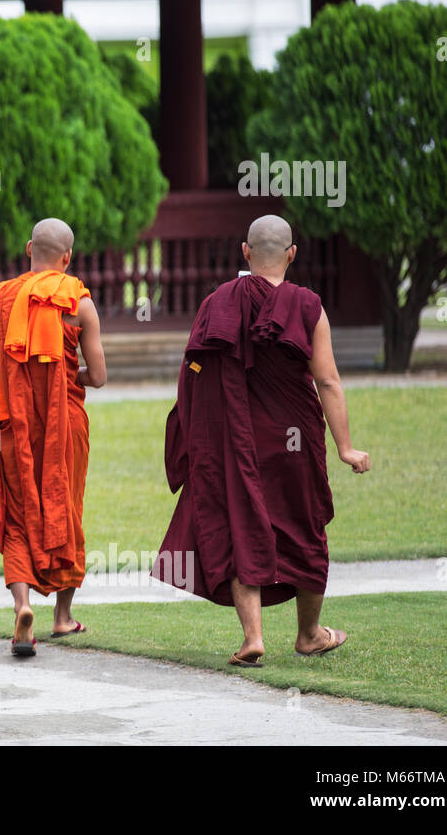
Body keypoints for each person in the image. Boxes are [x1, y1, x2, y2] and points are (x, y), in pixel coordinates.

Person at [151, 214, 370, 667]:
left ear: (245, 253)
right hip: (295, 442)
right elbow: (327, 381)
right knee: (306, 529)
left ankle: (254, 638)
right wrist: (346, 447)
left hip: (236, 441)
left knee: (241, 526)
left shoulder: (217, 302)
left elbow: (193, 374)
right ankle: (309, 634)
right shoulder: (308, 305)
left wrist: (195, 437)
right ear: (292, 254)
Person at [0, 218, 106, 657]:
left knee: (17, 512)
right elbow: (98, 376)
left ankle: (23, 606)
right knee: (65, 504)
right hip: (67, 424)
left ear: (28, 249)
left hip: (11, 425)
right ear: (67, 258)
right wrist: (60, 375)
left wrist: (17, 374)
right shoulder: (78, 302)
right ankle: (62, 617)